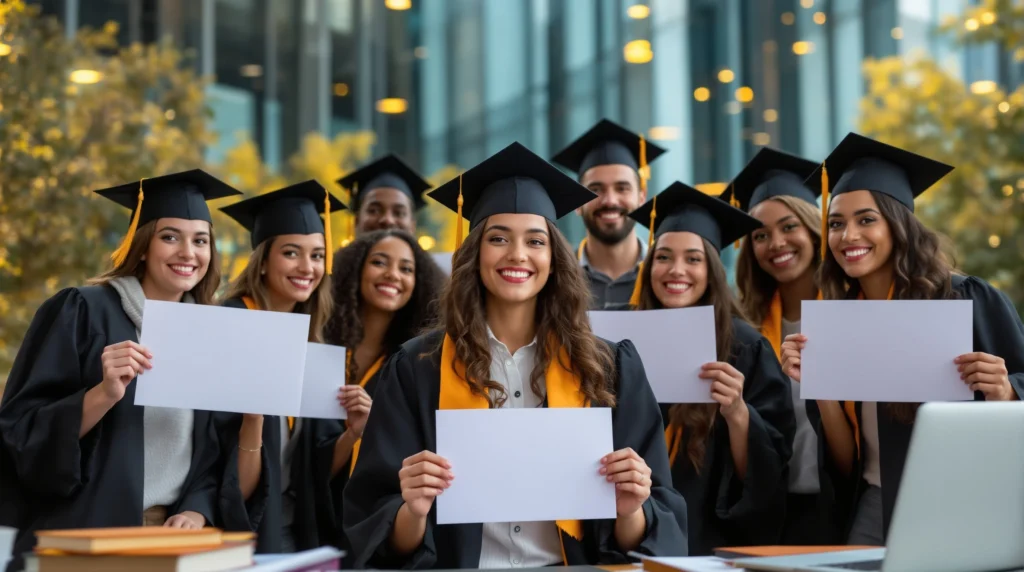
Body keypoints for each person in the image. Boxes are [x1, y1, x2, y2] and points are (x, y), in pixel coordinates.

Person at [343, 142, 688, 568]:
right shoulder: (418, 369)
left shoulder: (609, 368)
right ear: (474, 253)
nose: (517, 254)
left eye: (535, 240)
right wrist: (412, 509)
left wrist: (631, 506)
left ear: (554, 257)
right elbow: (380, 534)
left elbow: (650, 534)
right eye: (498, 238)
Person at [780, 133, 1024, 545]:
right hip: (876, 504)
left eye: (866, 219)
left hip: (965, 505)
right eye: (836, 224)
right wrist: (818, 386)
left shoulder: (964, 298)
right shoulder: (839, 322)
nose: (848, 235)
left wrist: (1004, 391)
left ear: (899, 223)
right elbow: (846, 463)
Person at [0, 171, 241, 571]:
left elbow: (212, 450)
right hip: (88, 538)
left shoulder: (208, 333)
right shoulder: (82, 310)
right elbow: (19, 433)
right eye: (170, 236)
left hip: (173, 543)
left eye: (201, 240)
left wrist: (198, 509)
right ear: (142, 245)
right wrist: (103, 394)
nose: (188, 252)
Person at [627, 182, 795, 555]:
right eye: (664, 257)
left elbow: (770, 469)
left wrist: (737, 412)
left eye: (693, 259)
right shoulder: (620, 341)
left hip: (711, 536)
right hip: (631, 525)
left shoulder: (744, 346)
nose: (677, 270)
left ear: (712, 270)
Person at [216, 180, 347, 553]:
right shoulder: (230, 325)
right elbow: (213, 459)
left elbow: (316, 466)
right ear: (262, 260)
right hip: (241, 534)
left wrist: (353, 434)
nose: (308, 267)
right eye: (292, 253)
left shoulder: (314, 340)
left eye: (318, 255)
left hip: (295, 532)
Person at [728, 148, 841, 545]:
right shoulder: (745, 332)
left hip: (840, 502)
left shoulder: (851, 316)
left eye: (789, 226)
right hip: (771, 509)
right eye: (759, 235)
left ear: (814, 228)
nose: (775, 243)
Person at [322, 229, 446, 561]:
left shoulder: (416, 365)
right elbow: (304, 466)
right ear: (356, 270)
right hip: (315, 520)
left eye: (406, 268)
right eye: (380, 262)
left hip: (378, 528)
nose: (393, 274)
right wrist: (354, 433)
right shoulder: (323, 348)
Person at [551, 119, 667, 309]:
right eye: (595, 189)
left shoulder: (666, 275)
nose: (610, 201)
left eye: (622, 188)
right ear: (577, 202)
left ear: (641, 197)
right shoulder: (554, 276)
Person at [336, 154, 432, 236]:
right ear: (356, 221)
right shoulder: (332, 258)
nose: (388, 220)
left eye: (399, 213)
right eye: (374, 211)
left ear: (412, 225)